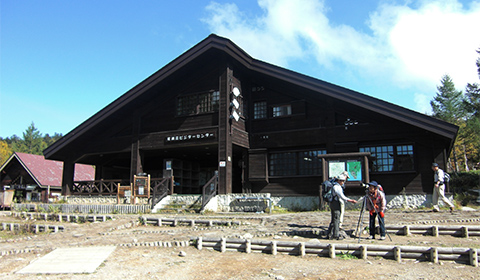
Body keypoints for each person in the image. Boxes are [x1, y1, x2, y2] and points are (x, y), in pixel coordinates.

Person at [327, 174, 357, 240]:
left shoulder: (334, 186)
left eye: (343, 181)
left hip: (332, 203)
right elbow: (341, 196)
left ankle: (329, 234)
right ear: (339, 180)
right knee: (336, 218)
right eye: (342, 181)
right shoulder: (337, 187)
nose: (343, 182)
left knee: (333, 219)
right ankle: (336, 235)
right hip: (336, 203)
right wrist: (350, 200)